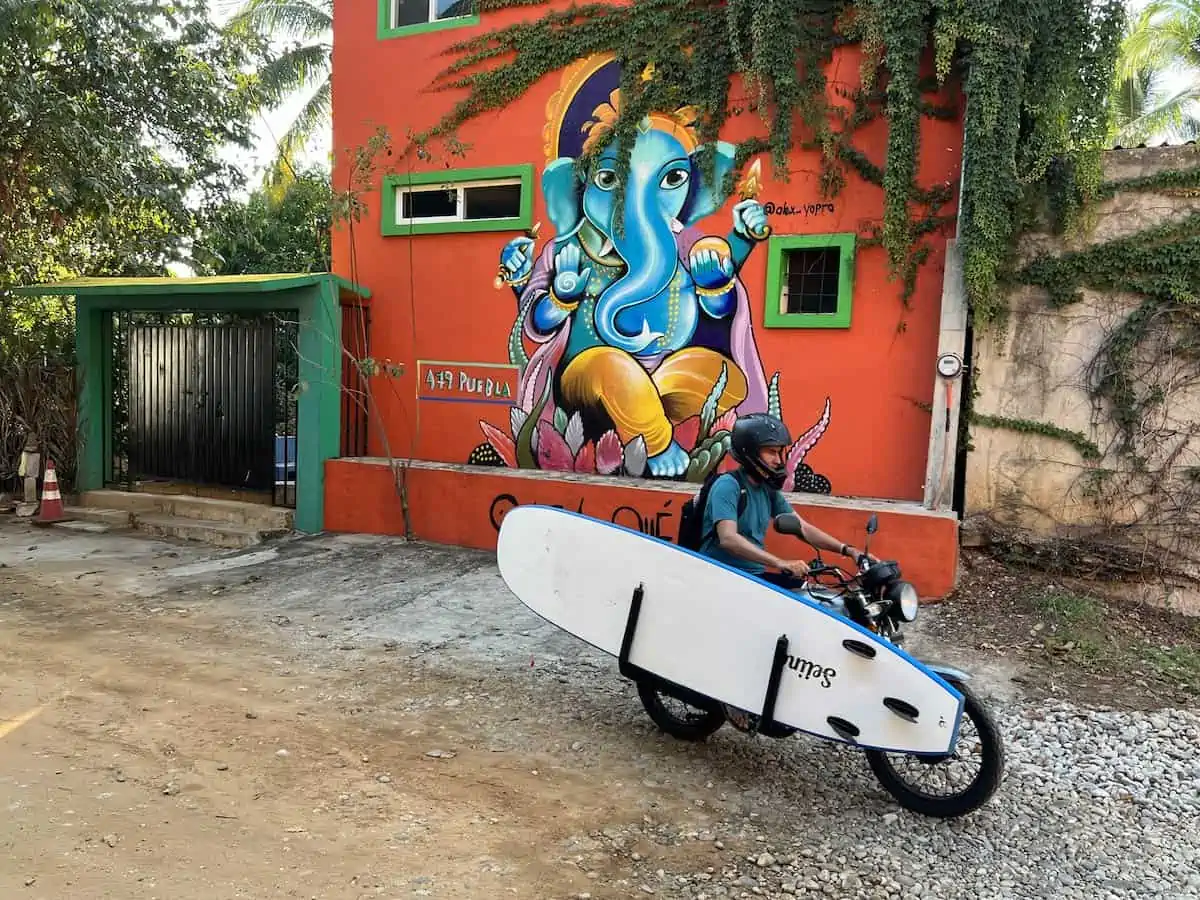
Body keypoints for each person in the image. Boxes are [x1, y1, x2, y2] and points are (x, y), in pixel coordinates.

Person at [697, 412, 875, 732]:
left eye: (782, 451)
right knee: (767, 628)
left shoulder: (767, 490)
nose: (780, 458)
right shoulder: (727, 485)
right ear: (750, 451)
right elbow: (728, 537)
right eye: (772, 451)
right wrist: (779, 563)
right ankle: (734, 695)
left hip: (754, 575)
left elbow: (802, 528)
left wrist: (850, 551)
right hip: (723, 576)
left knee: (813, 604)